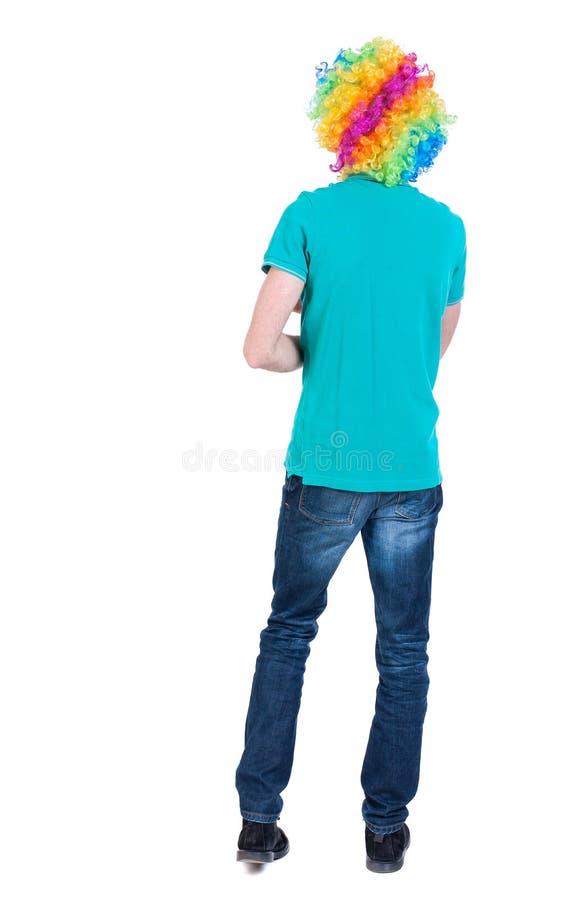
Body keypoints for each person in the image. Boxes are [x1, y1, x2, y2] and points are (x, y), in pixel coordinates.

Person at [234, 35, 466, 874]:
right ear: (417, 126)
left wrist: (313, 351)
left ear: (344, 120)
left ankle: (259, 821)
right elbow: (428, 354)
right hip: (410, 475)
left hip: (324, 470)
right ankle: (384, 831)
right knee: (404, 650)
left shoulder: (308, 214)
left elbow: (260, 349)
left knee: (288, 633)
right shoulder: (446, 231)